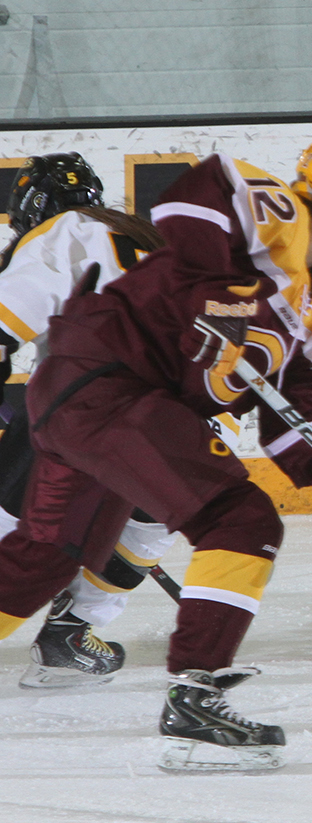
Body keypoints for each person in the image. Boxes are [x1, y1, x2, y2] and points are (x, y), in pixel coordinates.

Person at [0, 133, 312, 771]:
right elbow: (205, 187)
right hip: (112, 381)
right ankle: (192, 690)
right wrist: (215, 290)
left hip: (105, 404)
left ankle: (133, 658)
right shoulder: (275, 215)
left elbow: (294, 418)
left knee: (44, 557)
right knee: (238, 519)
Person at [0, 151, 182, 689]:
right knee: (151, 520)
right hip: (175, 419)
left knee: (17, 528)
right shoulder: (146, 241)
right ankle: (74, 632)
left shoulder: (63, 233)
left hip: (83, 410)